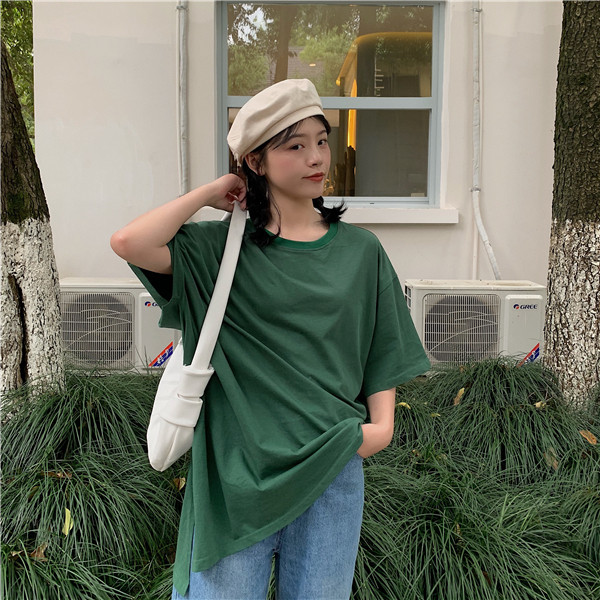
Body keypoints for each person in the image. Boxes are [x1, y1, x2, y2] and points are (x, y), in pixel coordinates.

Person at [111, 78, 430, 600]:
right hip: (236, 472)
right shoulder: (219, 250)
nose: (316, 157)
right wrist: (212, 192)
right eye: (294, 146)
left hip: (332, 462)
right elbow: (129, 241)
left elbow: (382, 345)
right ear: (255, 162)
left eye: (321, 141)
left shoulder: (361, 251)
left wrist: (381, 428)